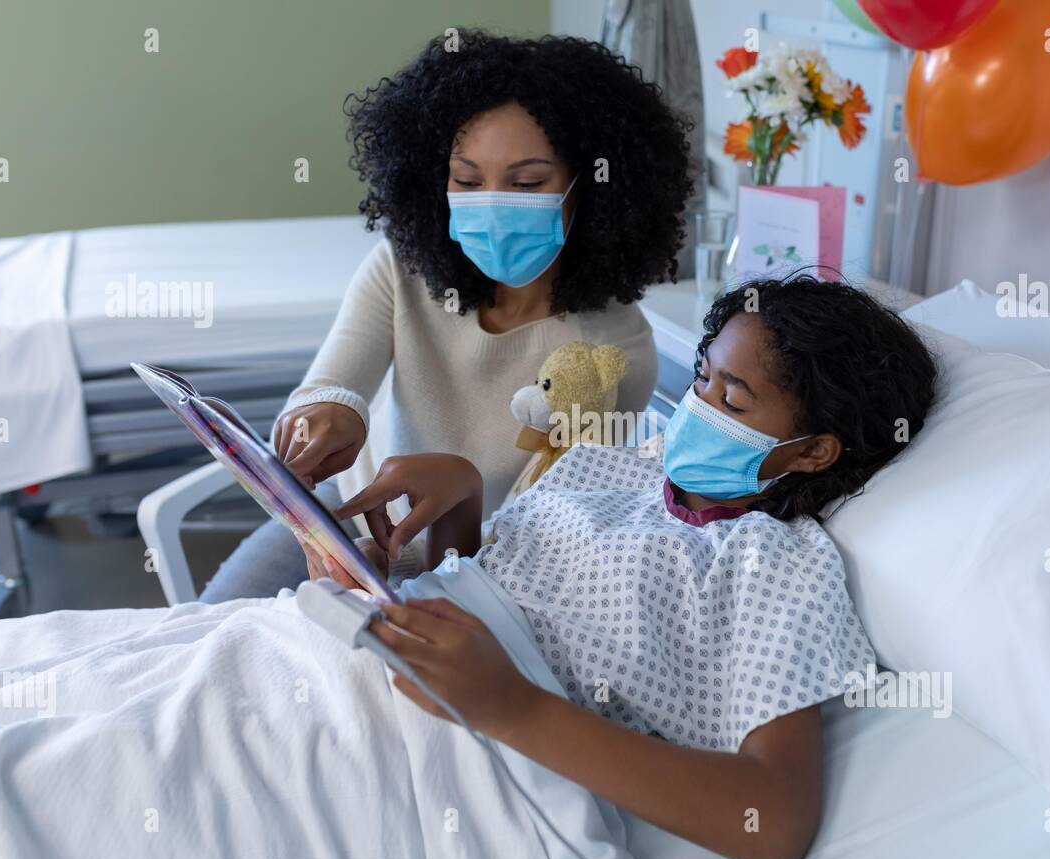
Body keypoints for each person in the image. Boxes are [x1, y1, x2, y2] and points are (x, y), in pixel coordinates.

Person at [305, 276, 939, 859]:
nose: (700, 406)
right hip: (372, 647)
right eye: (702, 377)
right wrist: (456, 507)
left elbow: (772, 820)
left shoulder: (773, 564)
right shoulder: (615, 466)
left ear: (813, 451)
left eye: (733, 400)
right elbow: (499, 591)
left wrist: (514, 709)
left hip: (450, 741)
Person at [202, 29, 694, 599]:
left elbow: (541, 547)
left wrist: (404, 561)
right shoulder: (401, 267)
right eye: (466, 180)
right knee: (196, 639)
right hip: (346, 518)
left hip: (475, 569)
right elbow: (328, 387)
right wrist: (325, 418)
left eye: (527, 182)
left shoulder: (613, 355)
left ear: (590, 190)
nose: (490, 200)